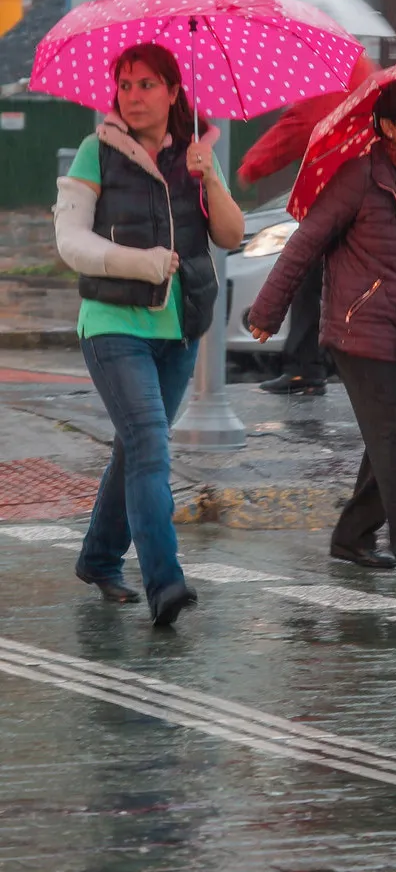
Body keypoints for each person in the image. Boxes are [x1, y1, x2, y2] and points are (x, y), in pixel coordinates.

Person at [246, 77, 396, 577]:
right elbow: (305, 242)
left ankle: (352, 536)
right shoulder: (359, 177)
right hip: (359, 328)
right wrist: (267, 311)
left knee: (393, 438)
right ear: (387, 127)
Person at [53, 44, 246, 627]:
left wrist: (209, 179)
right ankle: (166, 582)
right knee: (150, 445)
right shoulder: (97, 151)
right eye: (125, 85)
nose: (133, 96)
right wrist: (142, 263)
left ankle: (98, 557)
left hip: (180, 327)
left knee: (135, 447)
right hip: (112, 324)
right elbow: (70, 241)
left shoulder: (196, 153)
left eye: (146, 84)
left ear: (173, 91)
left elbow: (231, 235)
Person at [236, 54, 376, 396]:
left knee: (304, 271)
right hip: (367, 192)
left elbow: (302, 124)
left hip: (338, 194)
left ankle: (306, 367)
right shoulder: (362, 69)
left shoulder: (331, 73)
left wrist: (252, 165)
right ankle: (324, 364)